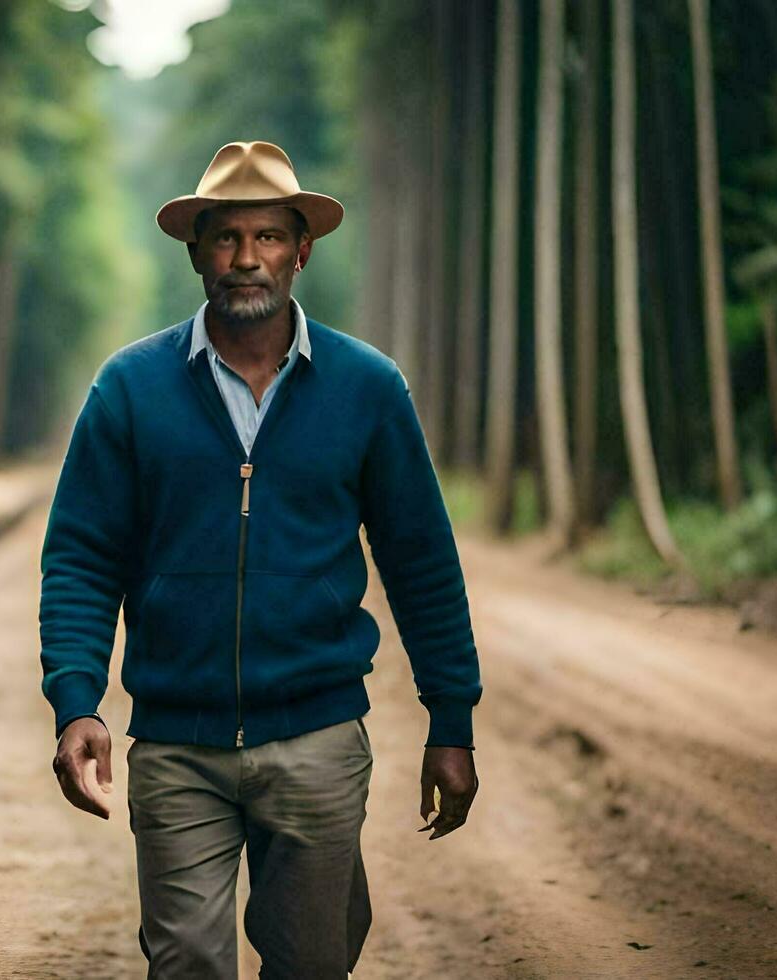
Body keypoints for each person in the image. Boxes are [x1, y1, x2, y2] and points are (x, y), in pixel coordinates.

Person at [37, 140, 482, 978]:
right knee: (187, 965)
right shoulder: (129, 388)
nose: (248, 259)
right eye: (228, 238)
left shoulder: (367, 387)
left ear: (301, 250)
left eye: (269, 237)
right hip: (176, 747)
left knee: (313, 964)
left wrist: (450, 719)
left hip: (317, 738)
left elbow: (421, 562)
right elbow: (82, 559)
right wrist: (77, 703)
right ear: (197, 250)